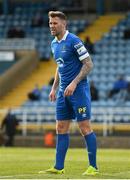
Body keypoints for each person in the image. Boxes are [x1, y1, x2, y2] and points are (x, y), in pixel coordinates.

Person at [39, 11, 98, 176]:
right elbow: (59, 66)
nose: (52, 26)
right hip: (63, 92)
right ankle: (59, 167)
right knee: (60, 127)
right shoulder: (54, 44)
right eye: (50, 23)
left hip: (78, 91)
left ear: (64, 24)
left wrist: (74, 82)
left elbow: (88, 64)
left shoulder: (74, 41)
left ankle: (93, 167)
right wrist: (54, 88)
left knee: (84, 128)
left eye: (55, 23)